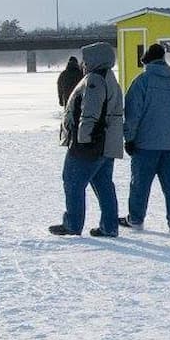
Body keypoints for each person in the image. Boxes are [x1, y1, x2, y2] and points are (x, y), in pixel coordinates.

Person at [49, 40, 124, 237]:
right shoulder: (109, 77)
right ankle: (110, 226)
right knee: (103, 184)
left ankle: (72, 224)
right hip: (107, 143)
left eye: (86, 59)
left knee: (72, 181)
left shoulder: (94, 80)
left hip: (90, 144)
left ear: (95, 59)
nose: (84, 63)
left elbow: (90, 112)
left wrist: (83, 139)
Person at [121, 42, 170, 233]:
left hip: (146, 144)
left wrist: (130, 138)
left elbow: (133, 114)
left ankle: (135, 218)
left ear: (147, 60)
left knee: (140, 185)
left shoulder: (142, 82)